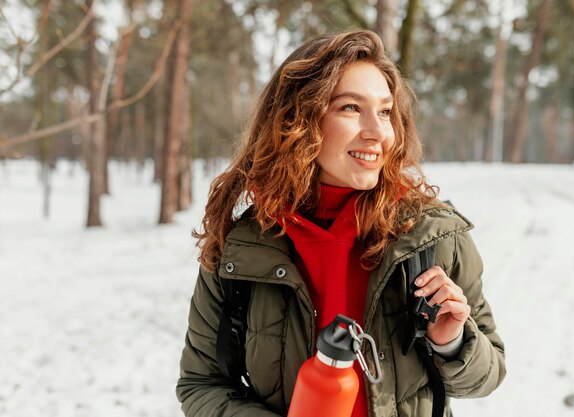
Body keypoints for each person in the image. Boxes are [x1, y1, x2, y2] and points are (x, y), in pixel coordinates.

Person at [176, 29, 505, 417]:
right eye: (351, 108)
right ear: (298, 120)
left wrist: (451, 343)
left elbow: (489, 375)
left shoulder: (431, 235)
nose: (379, 132)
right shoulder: (242, 249)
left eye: (385, 111)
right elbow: (201, 385)